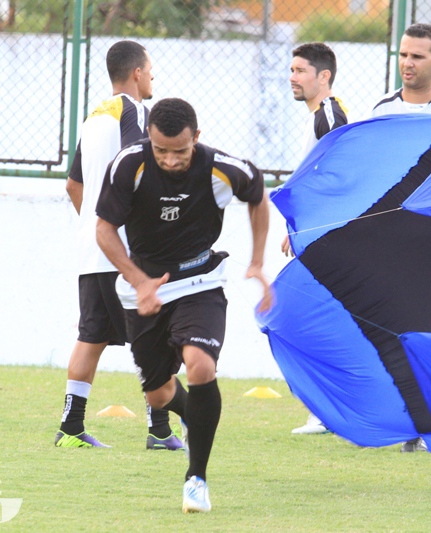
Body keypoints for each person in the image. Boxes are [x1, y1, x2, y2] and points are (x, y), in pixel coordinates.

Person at [95, 98, 271, 513]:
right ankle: (195, 414)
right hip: (143, 287)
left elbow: (258, 196)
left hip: (199, 280)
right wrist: (140, 283)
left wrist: (259, 262)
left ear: (197, 137)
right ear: (149, 140)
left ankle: (197, 479)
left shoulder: (222, 168)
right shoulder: (129, 165)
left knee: (201, 365)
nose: (170, 160)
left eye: (180, 151)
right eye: (161, 151)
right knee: (157, 396)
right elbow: (104, 229)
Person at [55, 40, 181, 451]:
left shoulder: (94, 117)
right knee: (158, 336)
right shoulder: (135, 112)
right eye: (151, 70)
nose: (153, 77)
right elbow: (139, 161)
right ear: (137, 74)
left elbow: (74, 185)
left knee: (91, 335)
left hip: (92, 252)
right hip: (126, 253)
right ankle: (160, 430)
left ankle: (71, 428)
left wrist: (96, 227)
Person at [373, 23, 431, 453]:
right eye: (403, 55)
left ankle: (422, 421)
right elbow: (361, 175)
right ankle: (407, 419)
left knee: (421, 332)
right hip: (384, 243)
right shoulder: (381, 111)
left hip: (427, 245)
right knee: (388, 332)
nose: (407, 63)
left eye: (417, 56)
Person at [286, 42, 349, 435]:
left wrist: (310, 228)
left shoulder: (328, 116)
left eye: (300, 70)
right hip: (316, 234)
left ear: (323, 77)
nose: (292, 78)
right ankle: (328, 411)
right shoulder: (320, 115)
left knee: (313, 320)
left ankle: (330, 412)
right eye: (291, 70)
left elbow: (337, 177)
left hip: (328, 238)